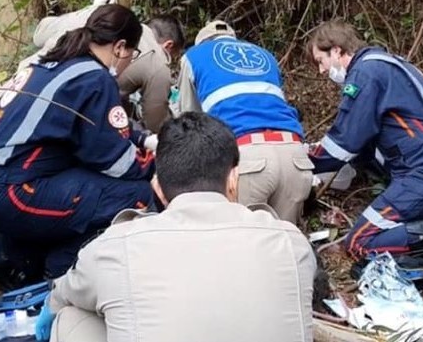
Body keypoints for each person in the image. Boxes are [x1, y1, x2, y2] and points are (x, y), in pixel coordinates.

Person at [35, 112, 316, 342]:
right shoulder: (292, 244)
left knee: (71, 317)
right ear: (234, 178)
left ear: (157, 185)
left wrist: (53, 305)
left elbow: (64, 294)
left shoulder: (116, 246)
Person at [0, 4, 158, 280]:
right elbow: (115, 161)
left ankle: (21, 261)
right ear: (121, 47)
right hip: (13, 191)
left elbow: (99, 125)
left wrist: (143, 138)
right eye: (131, 55)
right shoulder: (96, 78)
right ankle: (62, 271)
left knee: (83, 180)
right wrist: (158, 163)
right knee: (138, 195)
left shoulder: (50, 65)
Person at [307, 20, 423, 260]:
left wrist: (301, 160)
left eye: (320, 61)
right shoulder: (386, 64)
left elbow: (343, 142)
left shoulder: (366, 73)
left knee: (360, 242)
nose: (321, 71)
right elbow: (363, 145)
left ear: (336, 50)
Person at [176, 21, 314, 224]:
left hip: (248, 157)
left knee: (244, 241)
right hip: (295, 155)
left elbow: (190, 120)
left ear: (201, 42)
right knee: (283, 241)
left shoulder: (194, 56)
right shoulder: (265, 55)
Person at [21, 0, 185, 132]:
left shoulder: (98, 16)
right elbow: (155, 121)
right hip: (50, 114)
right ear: (168, 45)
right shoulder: (155, 61)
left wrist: (90, 9)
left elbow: (39, 34)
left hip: (18, 85)